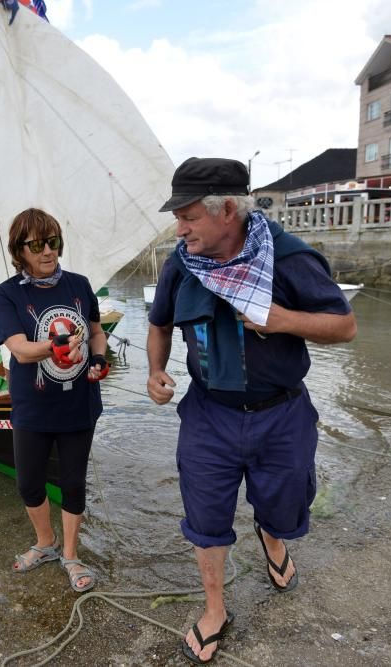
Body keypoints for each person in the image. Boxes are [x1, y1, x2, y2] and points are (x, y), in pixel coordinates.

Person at [146, 158, 357, 664]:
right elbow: (159, 323)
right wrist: (155, 370)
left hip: (281, 413)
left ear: (227, 212)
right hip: (208, 414)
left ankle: (272, 536)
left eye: (189, 216)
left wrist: (283, 319)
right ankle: (215, 608)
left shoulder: (289, 259)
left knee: (282, 506)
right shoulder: (182, 263)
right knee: (205, 517)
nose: (179, 228)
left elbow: (344, 327)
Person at [0, 207, 110, 593]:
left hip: (79, 405)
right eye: (37, 244)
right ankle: (45, 543)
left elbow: (96, 331)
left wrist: (98, 358)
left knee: (73, 483)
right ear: (19, 250)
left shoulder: (79, 284)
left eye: (53, 242)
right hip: (32, 408)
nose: (47, 251)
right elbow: (21, 350)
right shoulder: (8, 293)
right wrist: (56, 345)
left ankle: (72, 555)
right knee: (29, 483)